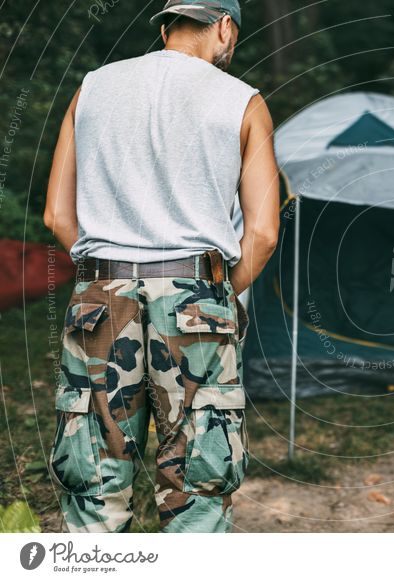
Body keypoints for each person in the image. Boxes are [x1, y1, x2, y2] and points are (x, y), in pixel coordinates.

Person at [43, 0, 280, 532]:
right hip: (198, 302)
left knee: (94, 481)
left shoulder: (93, 88)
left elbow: (58, 214)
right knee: (198, 486)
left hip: (100, 301)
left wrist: (112, 263)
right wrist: (219, 293)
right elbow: (262, 233)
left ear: (168, 24)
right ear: (223, 27)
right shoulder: (243, 101)